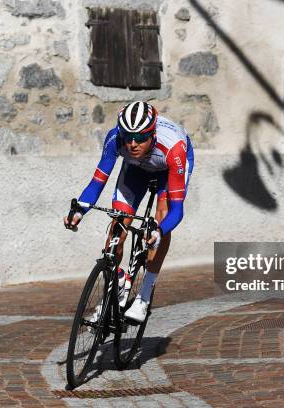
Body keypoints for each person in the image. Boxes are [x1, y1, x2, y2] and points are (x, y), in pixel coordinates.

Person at [64, 101, 194, 322]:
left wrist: (159, 231)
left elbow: (177, 211)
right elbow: (97, 182)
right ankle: (112, 292)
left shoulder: (175, 148)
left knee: (162, 216)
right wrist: (80, 211)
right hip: (135, 169)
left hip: (166, 171)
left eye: (141, 138)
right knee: (118, 225)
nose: (133, 143)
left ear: (152, 134)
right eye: (128, 136)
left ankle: (143, 298)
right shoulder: (115, 139)